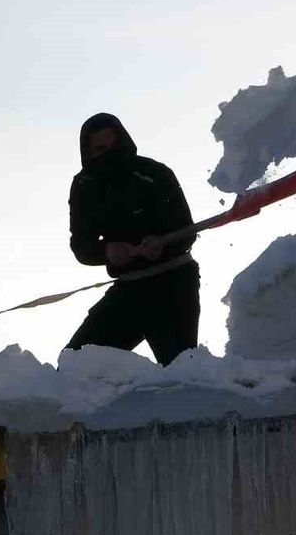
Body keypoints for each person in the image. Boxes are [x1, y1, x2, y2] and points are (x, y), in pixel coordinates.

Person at [66, 113, 199, 365]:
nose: (109, 153)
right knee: (76, 363)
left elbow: (186, 232)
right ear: (88, 151)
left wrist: (161, 244)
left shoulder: (155, 173)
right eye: (101, 149)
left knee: (181, 369)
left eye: (114, 146)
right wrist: (107, 251)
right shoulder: (84, 185)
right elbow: (81, 245)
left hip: (174, 285)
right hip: (129, 288)